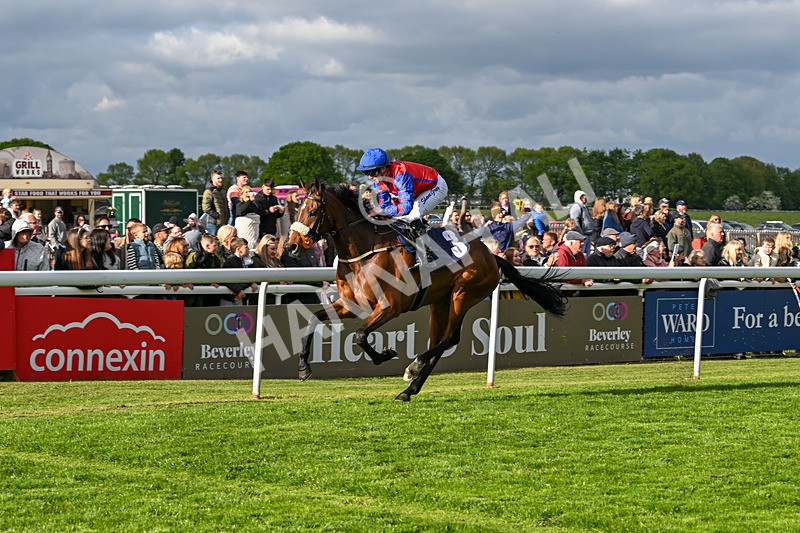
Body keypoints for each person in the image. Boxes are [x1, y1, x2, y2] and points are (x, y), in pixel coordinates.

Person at [357, 147, 448, 242]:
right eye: (366, 173)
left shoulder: (400, 175)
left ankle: (432, 250)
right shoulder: (378, 180)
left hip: (435, 186)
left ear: (384, 168)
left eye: (372, 172)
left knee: (412, 215)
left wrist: (382, 211)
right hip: (419, 191)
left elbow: (406, 208)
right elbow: (384, 204)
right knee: (397, 219)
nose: (370, 177)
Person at [201, 170, 229, 236]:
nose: (221, 180)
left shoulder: (223, 190)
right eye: (218, 178)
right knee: (213, 241)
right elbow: (205, 207)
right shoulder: (208, 191)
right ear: (212, 179)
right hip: (213, 223)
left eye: (221, 178)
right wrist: (217, 215)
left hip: (223, 222)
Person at [234, 184, 261, 249]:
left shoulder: (253, 204)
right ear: (242, 195)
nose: (248, 194)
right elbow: (241, 212)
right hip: (243, 230)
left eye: (249, 192)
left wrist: (254, 201)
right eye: (246, 192)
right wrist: (249, 201)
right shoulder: (239, 204)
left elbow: (258, 210)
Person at [568, 190, 593, 255]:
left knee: (586, 255)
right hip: (582, 235)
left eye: (585, 196)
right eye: (582, 196)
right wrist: (580, 233)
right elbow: (574, 221)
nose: (584, 197)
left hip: (588, 234)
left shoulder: (584, 207)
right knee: (580, 254)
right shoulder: (576, 206)